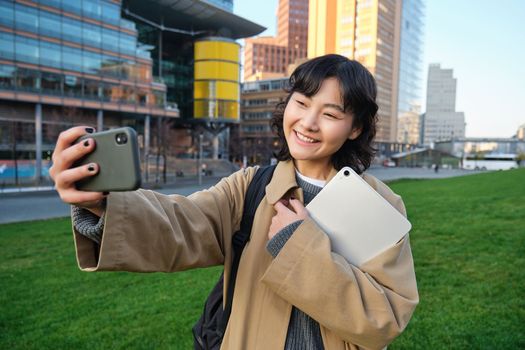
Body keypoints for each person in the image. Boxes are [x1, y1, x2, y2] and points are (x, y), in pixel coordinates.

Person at [50, 54, 418, 350]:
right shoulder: (249, 187)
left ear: (355, 128)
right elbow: (180, 224)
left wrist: (298, 246)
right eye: (301, 103)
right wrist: (103, 203)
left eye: (330, 114)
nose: (308, 122)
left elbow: (384, 318)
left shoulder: (380, 205)